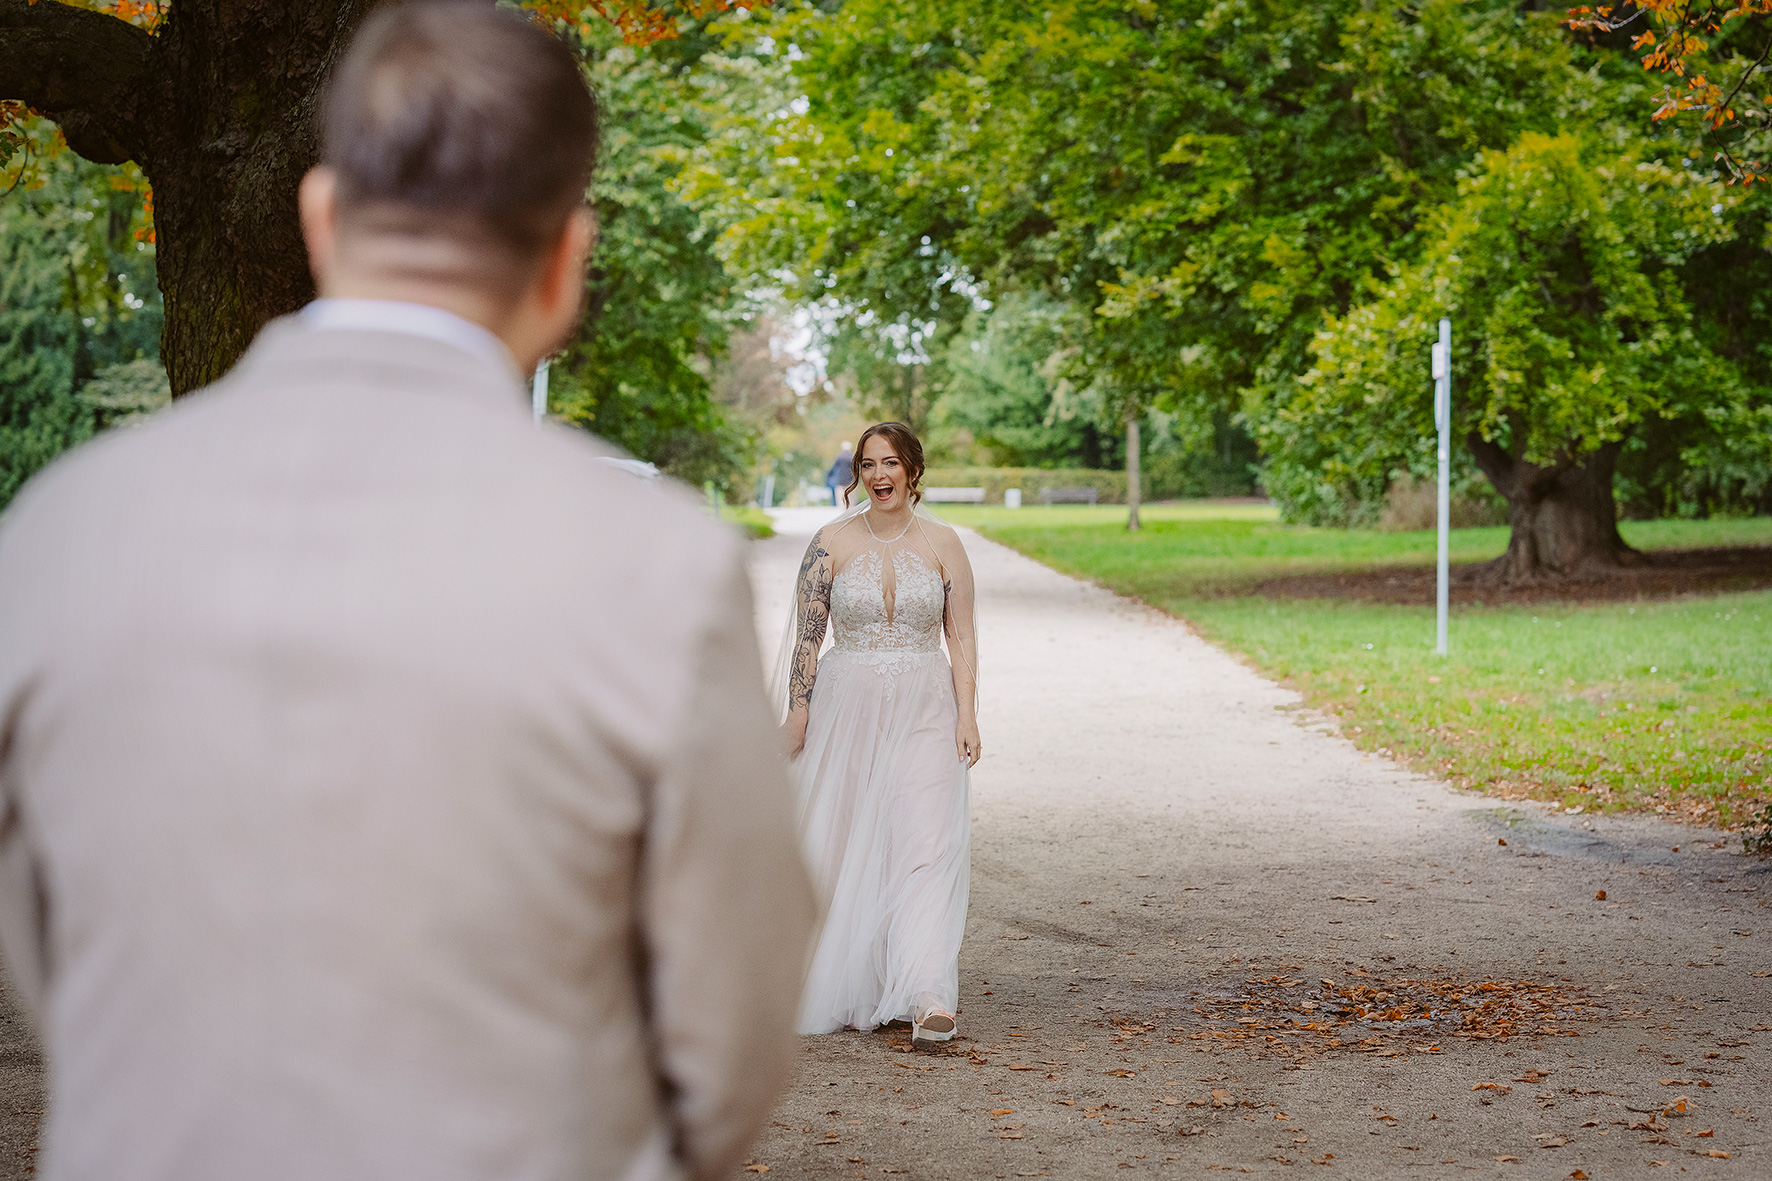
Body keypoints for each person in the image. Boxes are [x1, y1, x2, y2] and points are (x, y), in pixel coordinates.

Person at [0, 5, 814, 1180]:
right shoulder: (653, 563)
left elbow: (40, 929)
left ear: (321, 213)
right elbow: (731, 1009)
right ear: (567, 260)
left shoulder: (65, 527)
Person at [778, 422, 980, 1047]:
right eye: (868, 465)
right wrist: (798, 712)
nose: (879, 475)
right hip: (848, 708)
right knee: (843, 837)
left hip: (925, 705)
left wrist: (968, 713)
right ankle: (847, 981)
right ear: (857, 474)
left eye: (890, 463)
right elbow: (808, 638)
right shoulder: (830, 543)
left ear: (913, 471)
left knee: (926, 839)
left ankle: (927, 994)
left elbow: (962, 636)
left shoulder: (945, 543)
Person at [824, 440, 854, 506]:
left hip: (840, 479)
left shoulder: (840, 457)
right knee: (850, 494)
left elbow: (833, 468)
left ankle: (841, 507)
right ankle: (849, 507)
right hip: (850, 479)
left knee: (840, 493)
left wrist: (829, 475)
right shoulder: (852, 457)